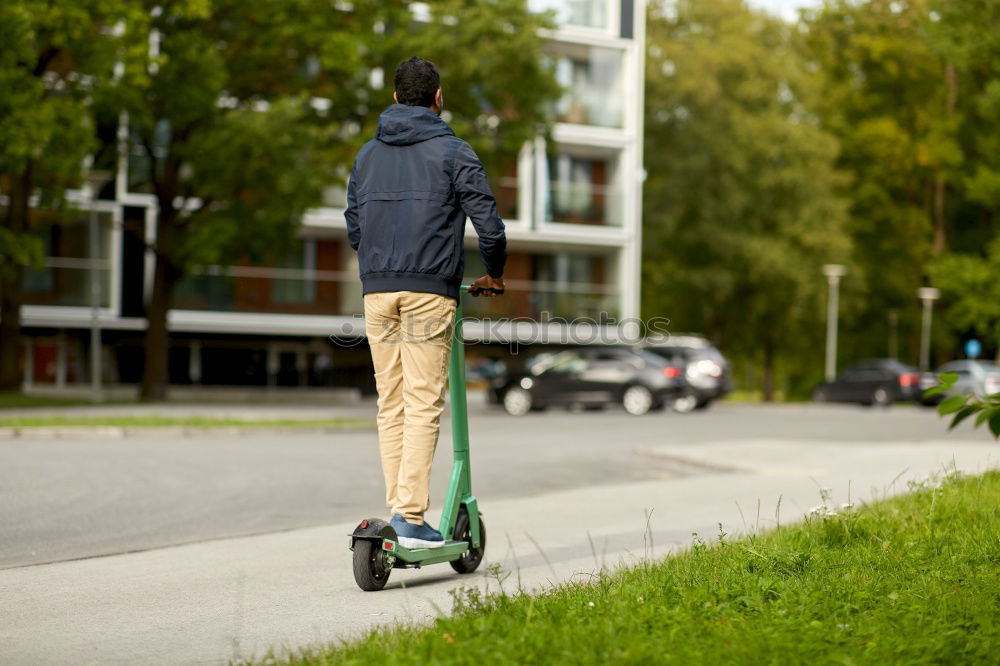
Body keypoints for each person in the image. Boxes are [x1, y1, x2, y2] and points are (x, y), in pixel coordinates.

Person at [345, 57, 506, 549]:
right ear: (438, 98)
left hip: (376, 290)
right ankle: (410, 516)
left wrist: (378, 265)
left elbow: (354, 222)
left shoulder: (367, 155)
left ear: (395, 99)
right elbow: (490, 227)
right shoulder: (453, 150)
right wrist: (494, 275)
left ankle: (400, 511)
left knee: (389, 404)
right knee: (421, 403)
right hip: (428, 292)